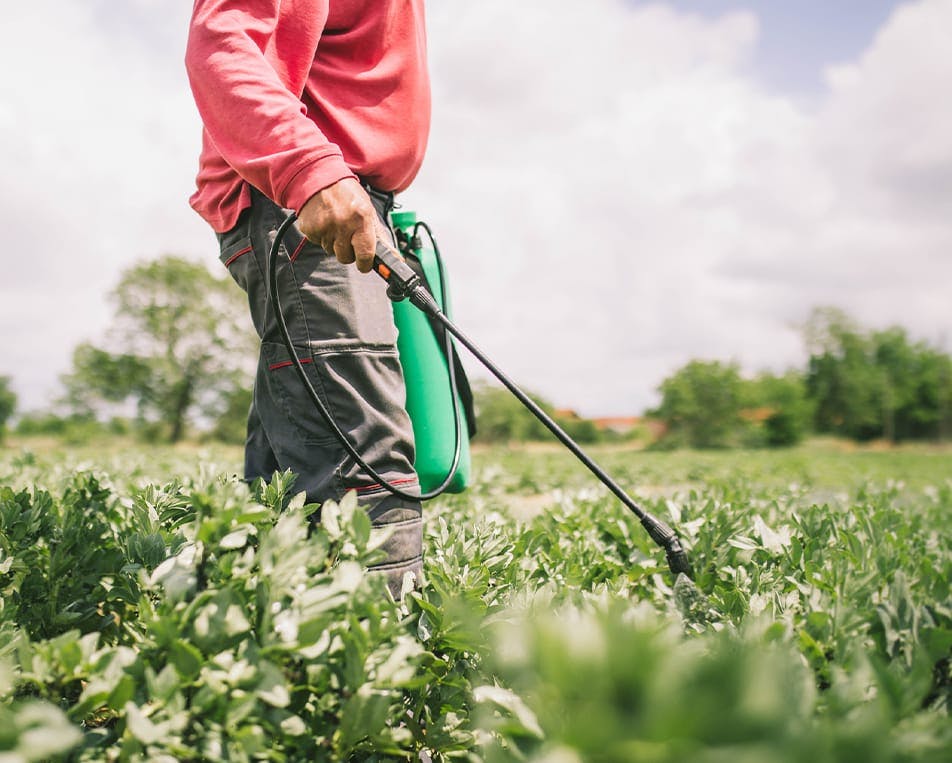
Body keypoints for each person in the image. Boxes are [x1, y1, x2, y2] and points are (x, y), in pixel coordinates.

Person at [185, 1, 430, 596]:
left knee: (284, 481)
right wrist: (312, 171)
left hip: (341, 202)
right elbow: (223, 44)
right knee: (364, 477)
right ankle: (385, 677)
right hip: (309, 206)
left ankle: (260, 653)